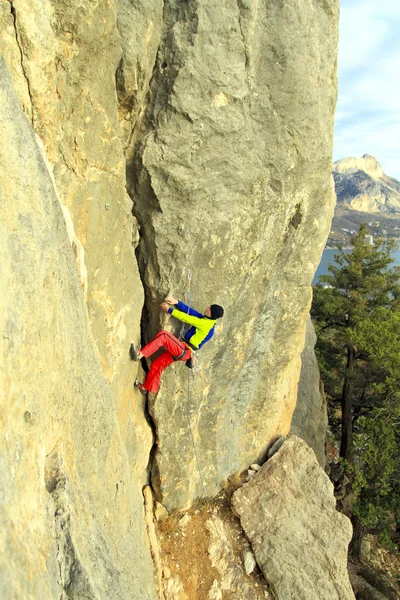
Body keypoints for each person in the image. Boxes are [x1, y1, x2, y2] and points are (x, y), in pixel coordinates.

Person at [130, 295, 224, 395]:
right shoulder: (207, 321)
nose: (207, 308)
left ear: (212, 314)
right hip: (184, 352)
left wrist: (169, 310)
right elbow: (190, 311)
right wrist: (176, 302)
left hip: (184, 349)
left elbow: (187, 318)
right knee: (157, 365)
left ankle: (140, 354)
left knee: (164, 335)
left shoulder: (206, 324)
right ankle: (145, 388)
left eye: (209, 309)